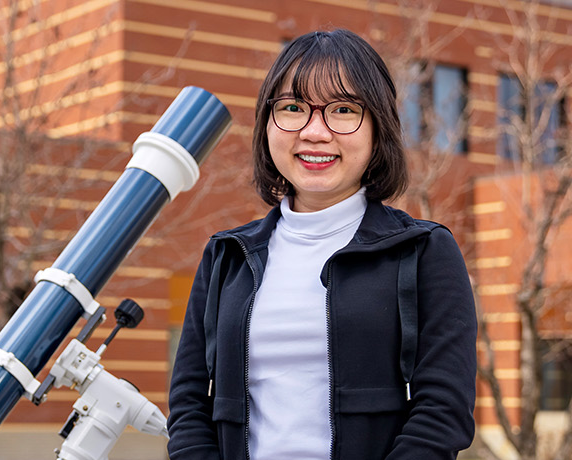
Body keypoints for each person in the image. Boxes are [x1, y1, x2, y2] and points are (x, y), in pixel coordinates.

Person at [166, 29, 477, 460]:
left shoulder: (423, 252)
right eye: (293, 108)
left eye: (343, 110)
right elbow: (188, 405)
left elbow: (443, 413)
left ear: (377, 127)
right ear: (267, 123)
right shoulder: (227, 256)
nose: (315, 132)